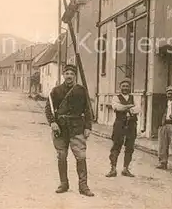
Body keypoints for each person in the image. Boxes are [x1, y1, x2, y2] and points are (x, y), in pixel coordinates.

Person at [45, 64, 94, 197]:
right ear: (63, 75)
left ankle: (83, 186)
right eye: (66, 73)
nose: (69, 76)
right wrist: (52, 122)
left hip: (77, 128)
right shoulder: (56, 91)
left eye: (72, 74)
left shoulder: (81, 90)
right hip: (60, 129)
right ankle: (64, 184)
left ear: (75, 76)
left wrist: (88, 127)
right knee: (61, 156)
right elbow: (48, 109)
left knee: (81, 156)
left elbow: (88, 110)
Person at [105, 78, 140, 178]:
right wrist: (129, 107)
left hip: (131, 125)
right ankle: (113, 169)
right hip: (119, 124)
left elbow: (138, 109)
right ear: (120, 87)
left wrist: (124, 107)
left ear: (130, 87)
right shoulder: (116, 97)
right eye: (123, 86)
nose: (125, 88)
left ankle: (126, 169)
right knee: (116, 146)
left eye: (127, 86)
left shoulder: (135, 98)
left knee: (130, 147)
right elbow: (116, 107)